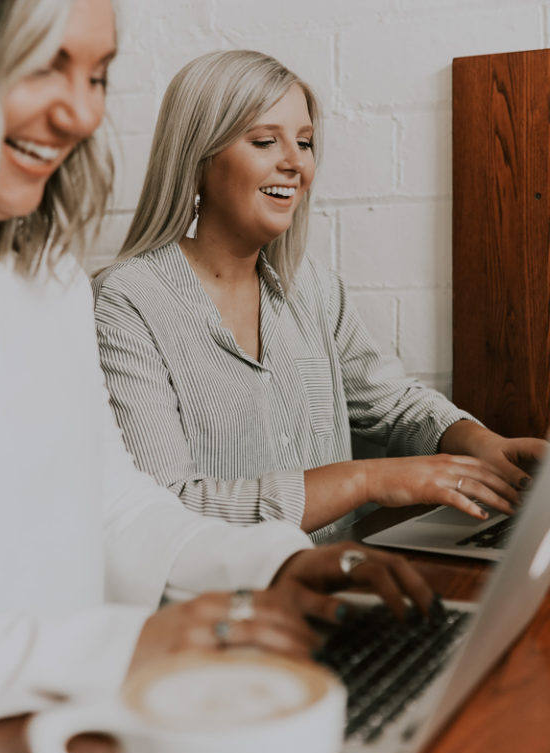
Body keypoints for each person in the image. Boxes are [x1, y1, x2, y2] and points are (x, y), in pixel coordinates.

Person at [0, 5, 434, 753]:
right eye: (43, 65)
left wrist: (269, 563)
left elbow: (112, 505)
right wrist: (118, 648)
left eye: (97, 74)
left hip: (67, 738)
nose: (82, 111)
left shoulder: (46, 269)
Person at [93, 49, 546, 542]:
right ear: (197, 158)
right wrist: (369, 479)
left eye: (305, 143)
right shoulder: (126, 301)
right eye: (265, 140)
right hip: (229, 605)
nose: (295, 163)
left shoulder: (310, 287)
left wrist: (482, 443)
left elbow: (390, 403)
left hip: (343, 579)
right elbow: (170, 507)